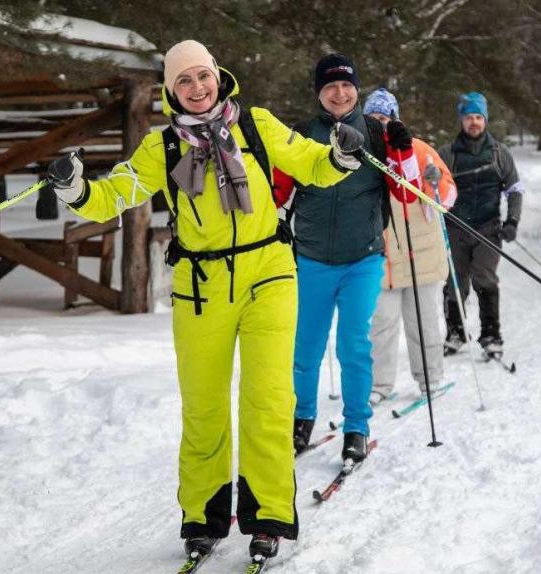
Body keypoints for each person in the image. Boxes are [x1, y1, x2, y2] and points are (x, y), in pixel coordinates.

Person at [45, 40, 362, 565]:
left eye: (203, 76)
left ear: (219, 75)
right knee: (204, 408)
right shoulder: (163, 147)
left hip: (268, 275)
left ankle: (267, 518)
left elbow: (312, 164)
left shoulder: (256, 125)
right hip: (200, 287)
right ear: (172, 91)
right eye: (184, 81)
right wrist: (75, 188)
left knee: (267, 401)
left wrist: (340, 156)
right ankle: (203, 519)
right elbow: (115, 195)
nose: (197, 88)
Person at [278, 54, 394, 465]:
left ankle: (356, 427)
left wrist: (401, 148)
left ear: (356, 89)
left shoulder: (376, 134)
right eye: (330, 86)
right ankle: (302, 418)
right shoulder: (301, 134)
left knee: (353, 345)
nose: (340, 93)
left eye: (346, 85)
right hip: (311, 258)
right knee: (305, 348)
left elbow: (405, 189)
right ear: (319, 93)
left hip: (362, 258)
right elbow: (278, 190)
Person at [363, 88, 457, 403]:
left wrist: (435, 183)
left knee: (423, 323)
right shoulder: (361, 153)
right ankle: (379, 385)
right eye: (373, 118)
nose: (379, 123)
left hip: (420, 255)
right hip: (381, 258)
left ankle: (430, 379)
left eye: (384, 118)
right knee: (381, 325)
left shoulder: (419, 150)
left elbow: (447, 198)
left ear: (395, 119)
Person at [437, 92, 523, 358]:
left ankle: (491, 335)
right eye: (468, 117)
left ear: (485, 120)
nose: (473, 122)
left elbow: (514, 189)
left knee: (485, 278)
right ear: (461, 120)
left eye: (478, 117)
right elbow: (433, 189)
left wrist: (512, 221)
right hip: (455, 228)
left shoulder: (499, 153)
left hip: (488, 228)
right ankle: (455, 332)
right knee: (455, 281)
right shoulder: (447, 153)